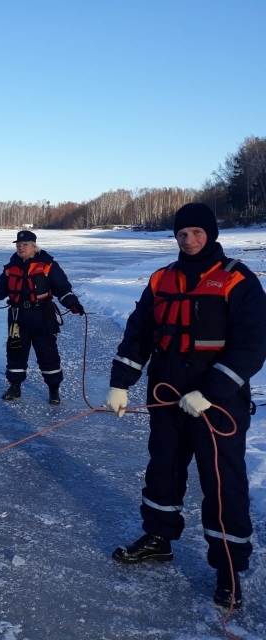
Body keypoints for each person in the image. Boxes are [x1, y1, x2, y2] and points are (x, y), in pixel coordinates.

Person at [103, 203, 266, 608]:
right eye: (182, 234)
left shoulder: (236, 278)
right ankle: (159, 537)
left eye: (196, 232)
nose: (189, 240)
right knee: (164, 468)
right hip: (166, 392)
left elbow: (253, 345)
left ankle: (228, 572)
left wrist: (211, 391)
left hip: (217, 402)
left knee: (222, 483)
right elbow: (139, 334)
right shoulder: (161, 279)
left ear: (210, 234)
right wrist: (121, 382)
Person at [0, 230, 84, 404]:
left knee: (48, 355)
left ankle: (53, 390)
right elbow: (0, 290)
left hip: (43, 316)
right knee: (15, 353)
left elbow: (63, 289)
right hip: (17, 317)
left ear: (34, 247)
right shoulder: (10, 267)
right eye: (18, 245)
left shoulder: (48, 265)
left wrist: (72, 303)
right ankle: (15, 387)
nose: (21, 248)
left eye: (25, 245)